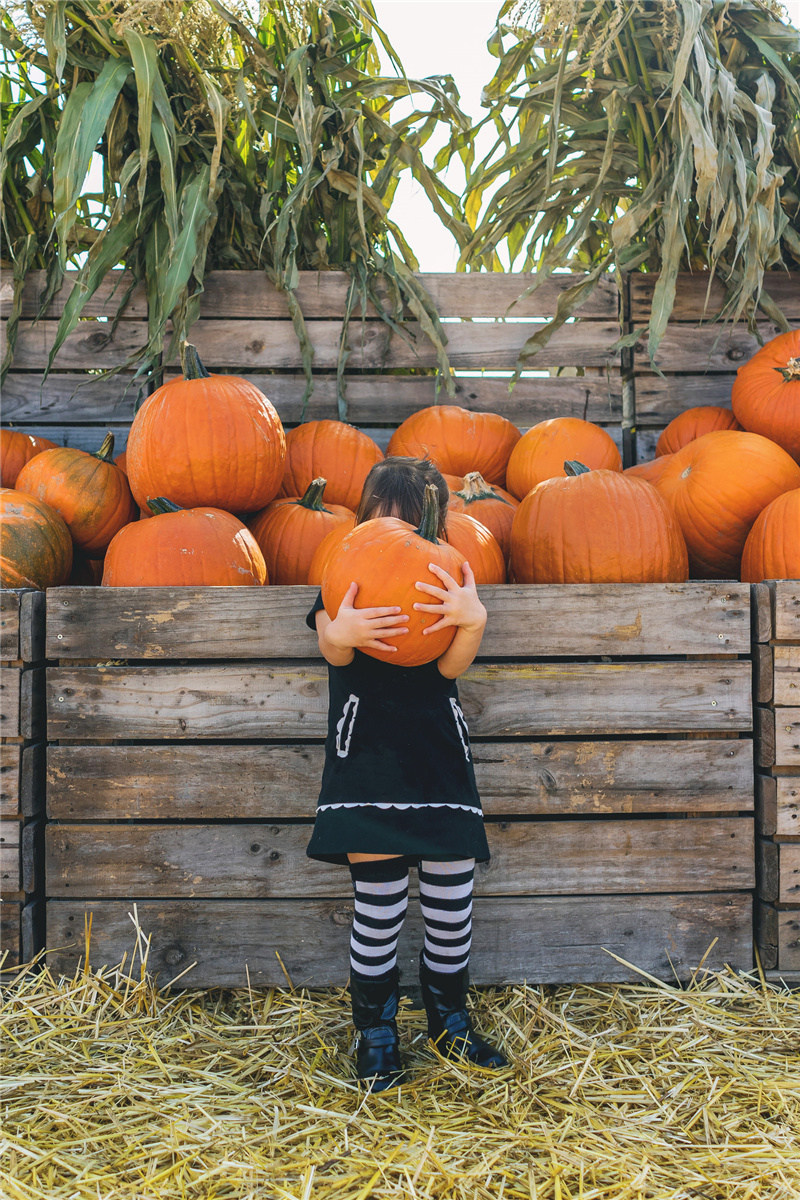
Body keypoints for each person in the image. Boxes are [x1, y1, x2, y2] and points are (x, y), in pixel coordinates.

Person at [305, 456, 509, 1092]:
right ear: (362, 518)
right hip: (367, 763)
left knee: (452, 908)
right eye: (378, 519)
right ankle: (376, 1032)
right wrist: (344, 629)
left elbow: (448, 670)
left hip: (436, 764)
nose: (390, 533)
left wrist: (470, 621)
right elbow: (331, 646)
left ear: (433, 523)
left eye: (407, 521)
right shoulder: (343, 578)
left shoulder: (447, 576)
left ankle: (450, 1019)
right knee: (379, 909)